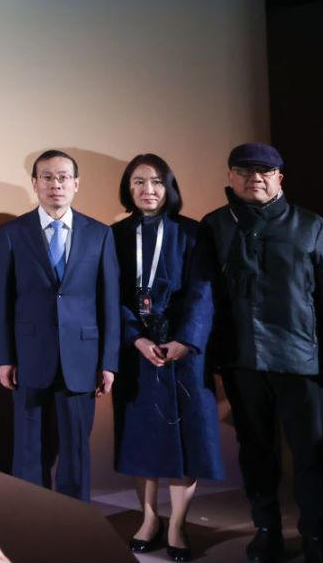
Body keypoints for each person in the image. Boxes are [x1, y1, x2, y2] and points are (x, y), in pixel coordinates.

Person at [202, 143, 323, 563]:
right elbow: (203, 295)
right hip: (241, 359)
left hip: (300, 358)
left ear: (279, 178)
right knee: (256, 452)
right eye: (245, 170)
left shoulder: (312, 226)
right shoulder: (215, 225)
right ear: (230, 177)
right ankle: (266, 529)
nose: (255, 178)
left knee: (310, 452)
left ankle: (315, 536)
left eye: (265, 171)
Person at [111, 154, 222, 563]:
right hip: (138, 351)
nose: (148, 190)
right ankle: (147, 519)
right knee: (141, 440)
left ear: (169, 187)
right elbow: (112, 295)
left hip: (183, 353)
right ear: (128, 188)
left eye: (157, 182)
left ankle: (176, 524)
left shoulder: (193, 233)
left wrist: (186, 341)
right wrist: (135, 338)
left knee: (185, 440)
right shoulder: (115, 235)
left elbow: (202, 292)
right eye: (139, 182)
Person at [0, 149, 118, 502]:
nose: (55, 184)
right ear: (35, 183)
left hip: (82, 356)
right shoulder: (13, 233)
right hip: (29, 355)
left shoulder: (99, 234)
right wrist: (4, 357)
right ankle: (30, 517)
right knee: (28, 448)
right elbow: (1, 301)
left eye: (63, 177)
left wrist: (108, 362)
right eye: (47, 177)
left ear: (76, 183)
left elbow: (109, 303)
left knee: (76, 450)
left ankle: (75, 521)